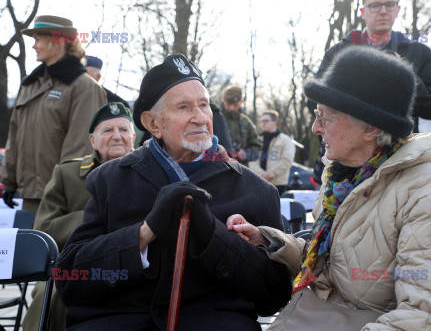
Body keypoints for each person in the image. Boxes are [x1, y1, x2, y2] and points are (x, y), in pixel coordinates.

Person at [227, 46, 431, 330]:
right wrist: (269, 241)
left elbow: (428, 318)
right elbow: (336, 267)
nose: (314, 128)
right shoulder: (344, 180)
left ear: (370, 128)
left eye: (326, 116)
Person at [55, 54, 291, 331]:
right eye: (183, 107)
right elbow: (71, 280)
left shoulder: (256, 190)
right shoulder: (110, 180)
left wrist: (213, 237)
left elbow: (273, 295)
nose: (200, 117)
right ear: (153, 124)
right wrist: (143, 234)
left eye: (204, 105)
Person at [312, 0, 431, 183]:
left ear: (398, 9)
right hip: (344, 159)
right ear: (363, 12)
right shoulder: (339, 53)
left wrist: (406, 76)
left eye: (389, 5)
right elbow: (314, 101)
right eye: (375, 5)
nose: (383, 11)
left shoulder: (418, 52)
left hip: (398, 159)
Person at [22, 102, 135, 331]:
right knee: (55, 295)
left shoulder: (148, 171)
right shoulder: (67, 174)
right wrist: (93, 219)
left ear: (133, 137)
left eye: (123, 130)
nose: (117, 136)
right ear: (93, 140)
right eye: (108, 130)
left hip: (131, 261)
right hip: (73, 264)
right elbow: (43, 230)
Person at [0, 15, 106, 213]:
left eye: (38, 39)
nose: (34, 46)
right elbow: (14, 136)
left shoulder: (83, 87)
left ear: (57, 41)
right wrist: (8, 182)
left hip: (60, 200)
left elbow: (80, 147)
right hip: (27, 196)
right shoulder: (29, 86)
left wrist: (63, 191)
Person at [249, 110, 295, 195]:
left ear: (274, 122)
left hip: (278, 184)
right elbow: (251, 160)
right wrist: (262, 174)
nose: (263, 123)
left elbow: (287, 161)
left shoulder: (285, 140)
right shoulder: (257, 140)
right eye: (261, 121)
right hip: (258, 182)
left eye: (266, 120)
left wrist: (269, 174)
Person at [221, 85, 262, 164]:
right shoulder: (214, 119)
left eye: (235, 105)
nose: (232, 108)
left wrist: (246, 154)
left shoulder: (246, 122)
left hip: (240, 169)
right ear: (223, 100)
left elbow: (257, 146)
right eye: (228, 104)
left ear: (241, 102)